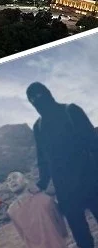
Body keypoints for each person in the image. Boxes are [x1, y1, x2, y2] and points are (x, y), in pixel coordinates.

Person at [27, 82, 98, 248]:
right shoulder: (38, 127)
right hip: (65, 191)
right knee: (82, 238)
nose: (36, 100)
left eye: (39, 94)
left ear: (48, 92)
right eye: (32, 98)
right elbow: (42, 159)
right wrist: (42, 183)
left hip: (91, 181)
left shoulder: (71, 110)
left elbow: (94, 144)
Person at [6, 171, 68, 248]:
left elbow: (61, 225)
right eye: (8, 180)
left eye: (15, 177)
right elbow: (22, 234)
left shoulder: (45, 199)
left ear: (26, 180)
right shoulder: (11, 211)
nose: (12, 181)